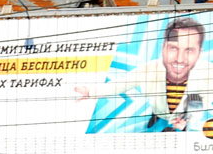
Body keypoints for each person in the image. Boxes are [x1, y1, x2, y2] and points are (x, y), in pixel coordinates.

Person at [77, 17, 212, 132]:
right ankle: (157, 115)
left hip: (182, 117)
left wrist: (188, 119)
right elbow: (121, 84)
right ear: (163, 48)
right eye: (173, 48)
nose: (179, 59)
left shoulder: (208, 73)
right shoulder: (149, 69)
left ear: (199, 53)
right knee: (159, 110)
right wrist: (91, 92)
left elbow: (203, 100)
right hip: (159, 109)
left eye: (189, 50)